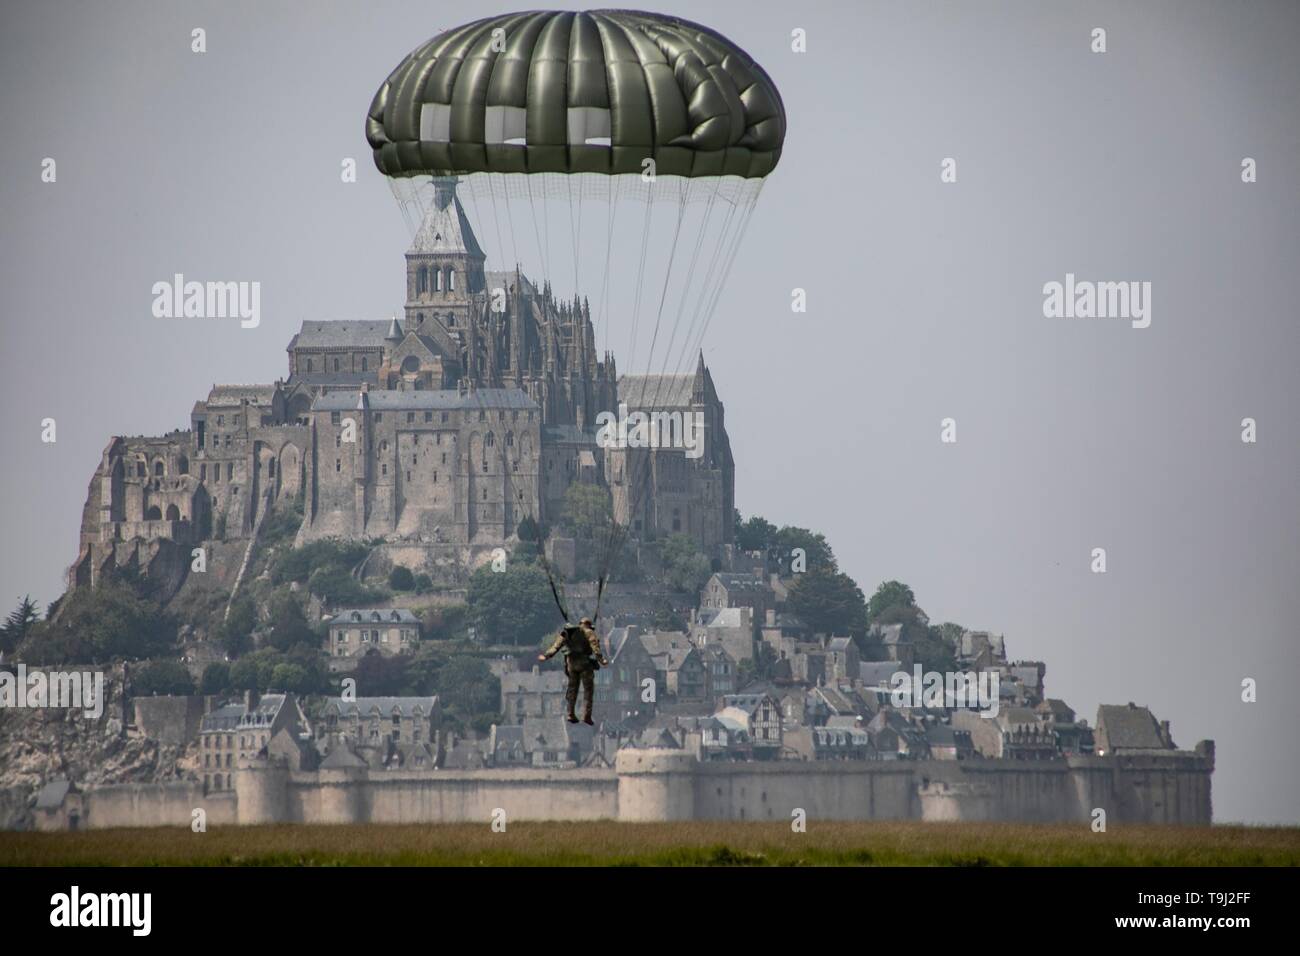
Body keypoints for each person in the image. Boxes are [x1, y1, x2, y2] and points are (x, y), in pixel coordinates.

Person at [538, 617, 609, 725]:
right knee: (588, 690)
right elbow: (595, 647)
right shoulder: (589, 632)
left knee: (572, 688)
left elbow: (556, 645)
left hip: (571, 663)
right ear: (589, 625)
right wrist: (601, 659)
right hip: (584, 664)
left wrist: (546, 656)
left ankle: (570, 713)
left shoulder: (569, 632)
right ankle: (586, 716)